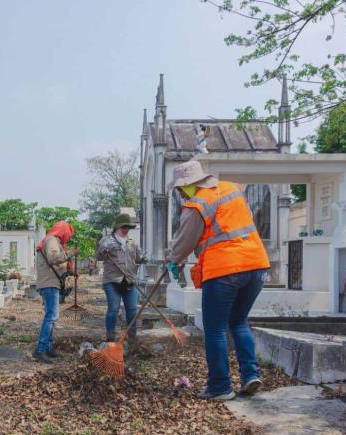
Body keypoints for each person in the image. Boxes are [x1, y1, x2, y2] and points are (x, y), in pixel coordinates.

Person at [167, 160, 270, 400]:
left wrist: (173, 259)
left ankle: (220, 386)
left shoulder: (196, 204)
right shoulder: (231, 189)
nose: (181, 193)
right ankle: (250, 375)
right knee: (239, 322)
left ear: (188, 185)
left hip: (225, 269)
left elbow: (185, 241)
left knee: (214, 329)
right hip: (256, 265)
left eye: (181, 189)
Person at [95, 213, 146, 342]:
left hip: (129, 280)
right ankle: (111, 337)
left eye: (128, 227)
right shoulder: (107, 241)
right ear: (117, 227)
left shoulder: (132, 243)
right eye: (124, 227)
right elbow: (99, 257)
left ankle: (132, 337)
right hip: (112, 280)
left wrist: (147, 259)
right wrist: (104, 248)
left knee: (132, 310)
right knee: (113, 309)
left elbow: (139, 259)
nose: (126, 229)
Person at [34, 221, 78, 363]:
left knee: (51, 317)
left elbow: (58, 265)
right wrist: (71, 253)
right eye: (68, 234)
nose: (68, 238)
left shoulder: (52, 240)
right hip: (49, 284)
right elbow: (53, 259)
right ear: (63, 231)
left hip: (49, 282)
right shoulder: (52, 240)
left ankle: (48, 347)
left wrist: (71, 272)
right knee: (51, 316)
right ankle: (40, 350)